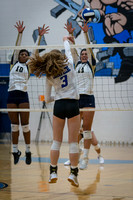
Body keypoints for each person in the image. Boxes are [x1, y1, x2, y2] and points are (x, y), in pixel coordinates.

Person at [28, 35, 80, 187]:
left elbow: (47, 99)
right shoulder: (69, 64)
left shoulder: (49, 75)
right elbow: (69, 52)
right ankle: (73, 174)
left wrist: (55, 96)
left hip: (59, 106)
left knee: (56, 141)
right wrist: (66, 40)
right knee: (73, 142)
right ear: (60, 58)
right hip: (72, 105)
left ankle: (53, 172)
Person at [7, 21, 50, 165]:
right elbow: (16, 47)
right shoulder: (14, 63)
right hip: (12, 95)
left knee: (25, 125)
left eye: (26, 54)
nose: (24, 55)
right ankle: (15, 150)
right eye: (22, 54)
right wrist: (20, 34)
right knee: (14, 126)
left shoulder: (29, 67)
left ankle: (28, 150)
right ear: (18, 56)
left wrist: (39, 37)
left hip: (23, 96)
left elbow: (36, 52)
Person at [64, 21, 104, 169]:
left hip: (88, 99)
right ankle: (73, 157)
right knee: (75, 132)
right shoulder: (76, 63)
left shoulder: (91, 65)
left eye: (86, 53)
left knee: (87, 130)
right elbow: (73, 50)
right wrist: (71, 34)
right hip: (76, 99)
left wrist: (86, 33)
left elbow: (88, 48)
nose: (85, 55)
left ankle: (85, 159)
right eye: (83, 54)